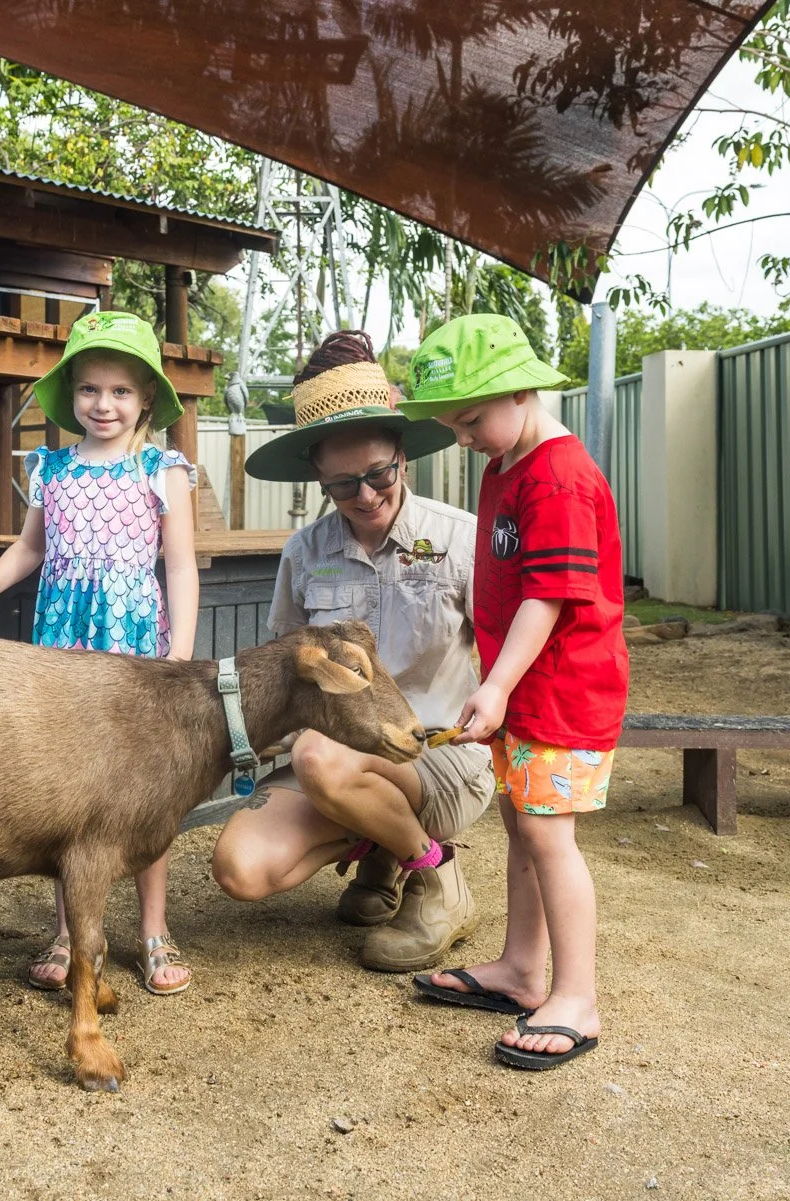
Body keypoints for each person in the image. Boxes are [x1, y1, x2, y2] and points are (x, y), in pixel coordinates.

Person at [211, 330, 497, 972]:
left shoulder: (458, 541)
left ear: (403, 456)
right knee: (240, 868)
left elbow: (509, 655)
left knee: (321, 758)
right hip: (329, 757)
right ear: (319, 478)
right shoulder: (304, 554)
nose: (366, 497)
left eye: (378, 475)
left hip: (438, 756)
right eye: (344, 486)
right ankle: (382, 847)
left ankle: (437, 877)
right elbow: (286, 664)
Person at [0, 310, 199, 996]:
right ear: (70, 396)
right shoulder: (51, 468)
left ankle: (153, 928)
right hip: (61, 647)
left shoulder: (160, 469)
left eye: (119, 391)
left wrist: (181, 651)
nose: (103, 404)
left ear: (145, 399)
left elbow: (182, 567)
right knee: (62, 790)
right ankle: (68, 929)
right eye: (89, 390)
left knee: (142, 793)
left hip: (136, 649)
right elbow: (31, 548)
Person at [397, 313, 628, 1071]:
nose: (463, 437)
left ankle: (578, 996)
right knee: (522, 825)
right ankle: (524, 969)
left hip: (558, 692)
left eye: (470, 419)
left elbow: (550, 596)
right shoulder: (506, 466)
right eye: (451, 424)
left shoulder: (557, 474)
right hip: (521, 691)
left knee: (550, 838)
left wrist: (493, 686)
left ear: (522, 390)